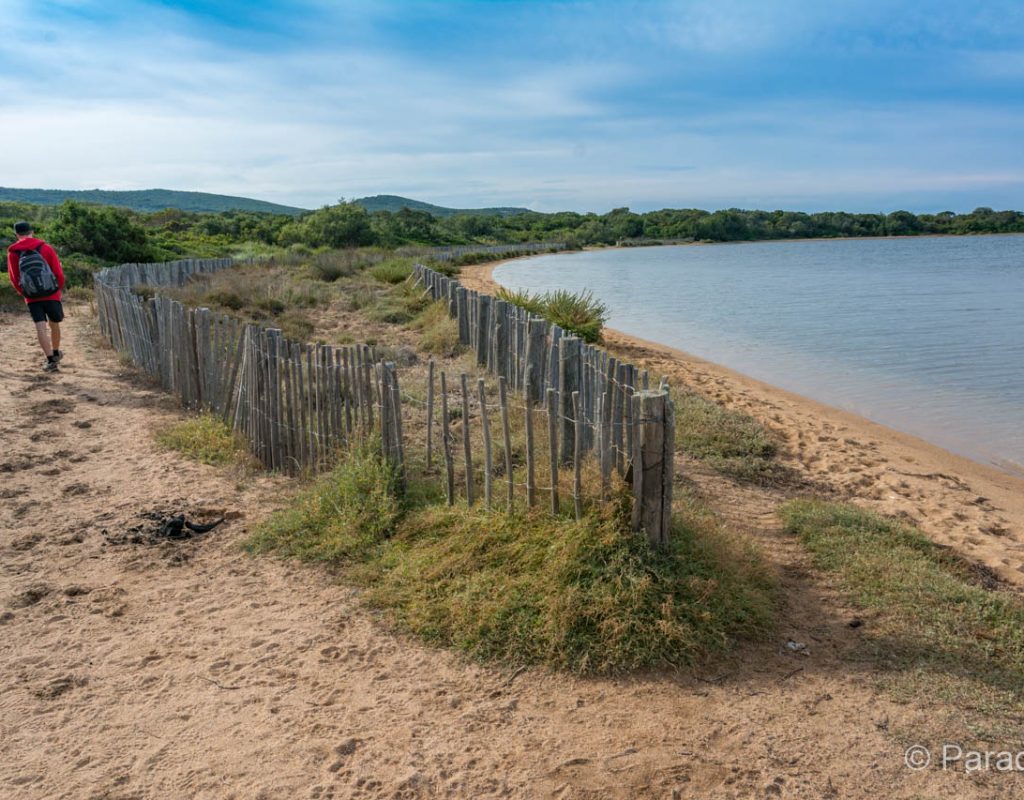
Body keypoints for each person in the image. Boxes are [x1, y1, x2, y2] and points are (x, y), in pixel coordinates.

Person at [6, 221, 65, 372]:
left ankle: (51, 360)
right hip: (52, 294)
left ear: (16, 234)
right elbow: (58, 272)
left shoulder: (13, 252)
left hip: (31, 297)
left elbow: (14, 278)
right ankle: (57, 351)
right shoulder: (45, 247)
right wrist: (57, 290)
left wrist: (25, 293)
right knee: (54, 323)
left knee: (40, 327)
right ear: (32, 231)